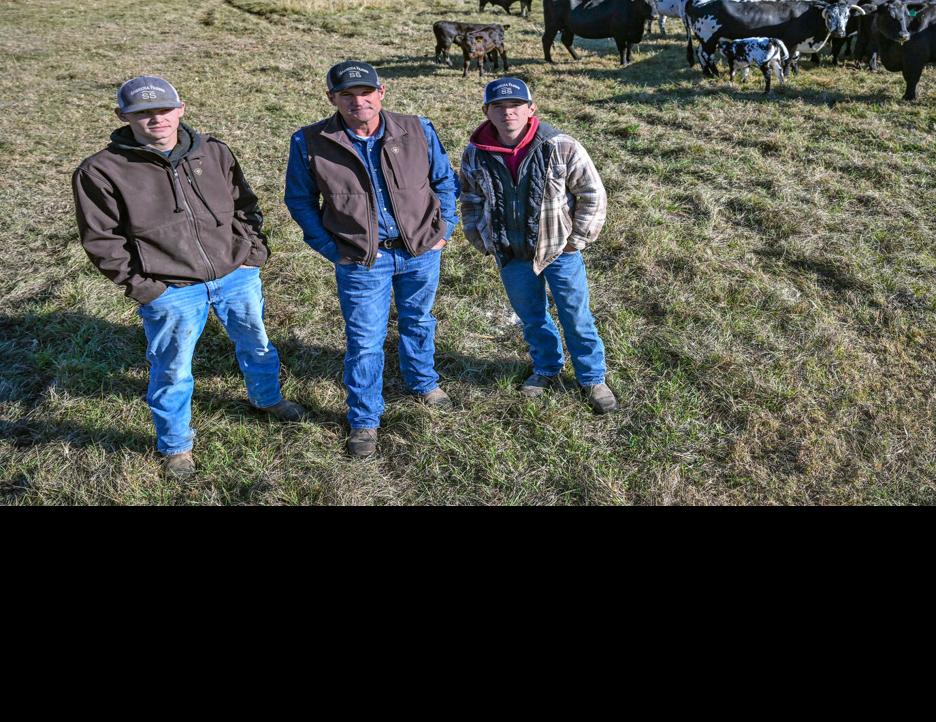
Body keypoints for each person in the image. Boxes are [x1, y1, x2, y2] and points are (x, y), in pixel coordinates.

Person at [72, 75, 307, 479]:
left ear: (180, 109)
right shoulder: (101, 171)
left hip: (236, 274)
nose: (155, 118)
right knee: (173, 369)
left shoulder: (214, 152)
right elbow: (102, 241)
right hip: (171, 291)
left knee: (257, 344)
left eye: (163, 109)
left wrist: (253, 253)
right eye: (143, 113)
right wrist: (147, 289)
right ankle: (176, 445)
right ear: (122, 116)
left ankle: (267, 399)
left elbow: (244, 204)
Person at [284, 61, 460, 459]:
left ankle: (423, 382)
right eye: (346, 94)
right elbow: (299, 199)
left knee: (419, 320)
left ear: (383, 92)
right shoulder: (309, 141)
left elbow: (445, 181)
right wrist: (330, 248)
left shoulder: (417, 129)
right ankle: (365, 418)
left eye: (365, 92)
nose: (357, 101)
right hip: (362, 260)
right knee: (364, 340)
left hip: (420, 250)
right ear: (331, 98)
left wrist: (444, 228)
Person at [457, 77, 617, 412]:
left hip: (559, 251)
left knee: (576, 315)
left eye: (515, 105)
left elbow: (592, 194)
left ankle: (591, 377)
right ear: (486, 110)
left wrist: (576, 241)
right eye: (498, 106)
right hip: (510, 253)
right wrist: (479, 236)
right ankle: (547, 367)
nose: (507, 113)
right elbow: (470, 198)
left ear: (531, 109)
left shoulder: (560, 145)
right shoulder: (475, 153)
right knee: (531, 315)